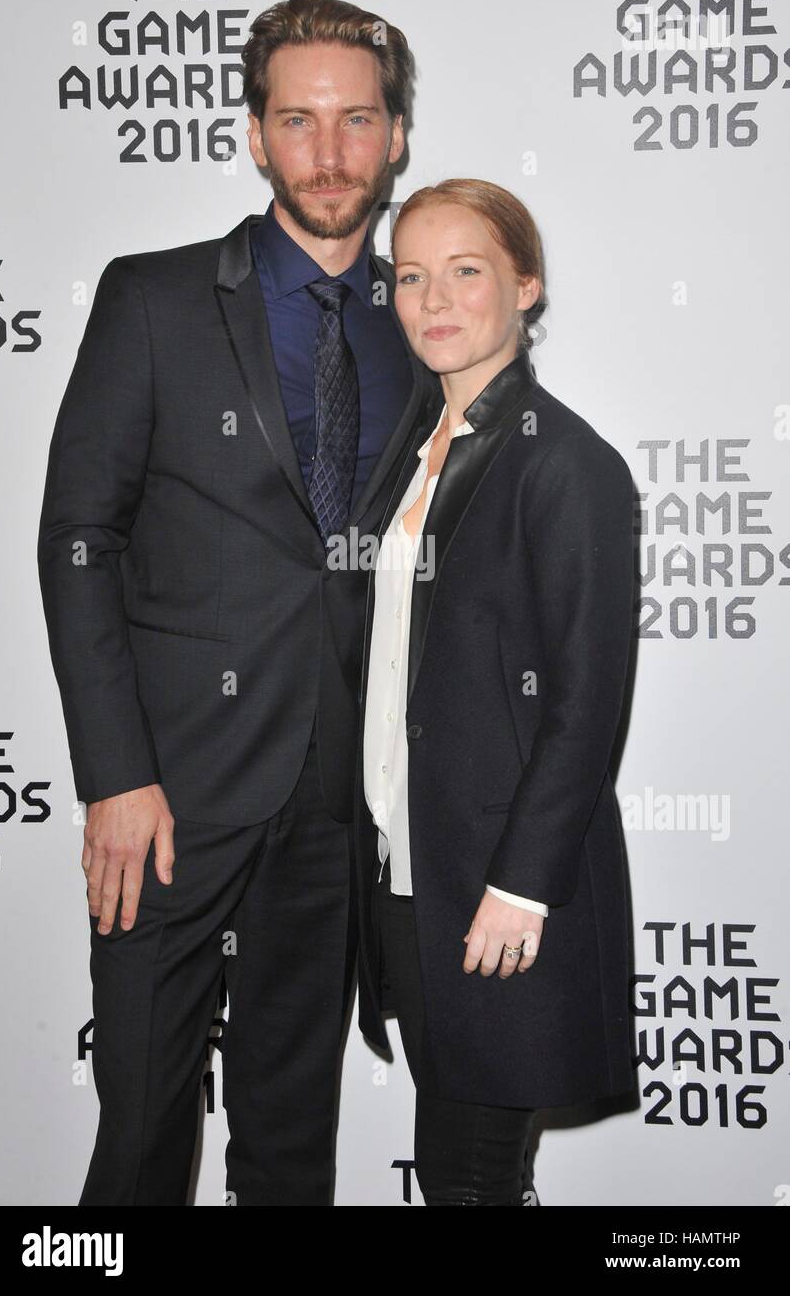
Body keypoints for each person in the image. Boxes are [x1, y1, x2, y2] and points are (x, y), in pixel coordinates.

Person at [36, 0, 440, 1206]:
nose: (329, 151)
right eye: (298, 120)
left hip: (330, 808)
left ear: (397, 137)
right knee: (144, 1136)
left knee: (287, 1144)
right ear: (255, 135)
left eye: (356, 121)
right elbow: (78, 540)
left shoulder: (421, 324)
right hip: (168, 802)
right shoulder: (151, 299)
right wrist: (112, 774)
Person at [354, 178, 637, 1205]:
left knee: (469, 1176)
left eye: (464, 270)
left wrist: (519, 886)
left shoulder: (564, 465)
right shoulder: (408, 457)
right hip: (405, 875)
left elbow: (584, 701)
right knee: (460, 1176)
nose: (432, 298)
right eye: (410, 276)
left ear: (524, 285)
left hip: (499, 890)